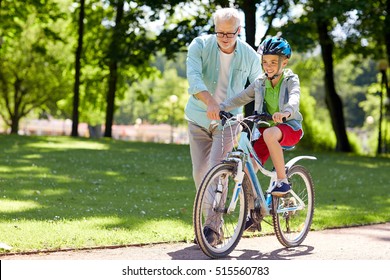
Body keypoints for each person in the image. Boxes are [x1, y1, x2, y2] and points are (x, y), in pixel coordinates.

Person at [185, 7, 262, 246]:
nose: (225, 38)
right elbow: (194, 77)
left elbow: (260, 83)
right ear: (215, 30)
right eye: (221, 33)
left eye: (230, 34)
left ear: (239, 31)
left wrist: (262, 116)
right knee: (200, 173)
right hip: (198, 117)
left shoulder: (248, 55)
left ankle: (212, 229)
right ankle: (211, 223)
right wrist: (210, 101)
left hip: (228, 121)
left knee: (218, 170)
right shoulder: (199, 46)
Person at [218, 36, 303, 196]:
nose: (268, 66)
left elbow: (294, 97)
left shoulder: (291, 79)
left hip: (290, 128)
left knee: (270, 134)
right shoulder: (261, 82)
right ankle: (253, 214)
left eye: (273, 62)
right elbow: (242, 97)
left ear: (283, 63)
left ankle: (282, 181)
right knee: (248, 170)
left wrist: (285, 113)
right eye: (265, 62)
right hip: (266, 132)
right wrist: (222, 107)